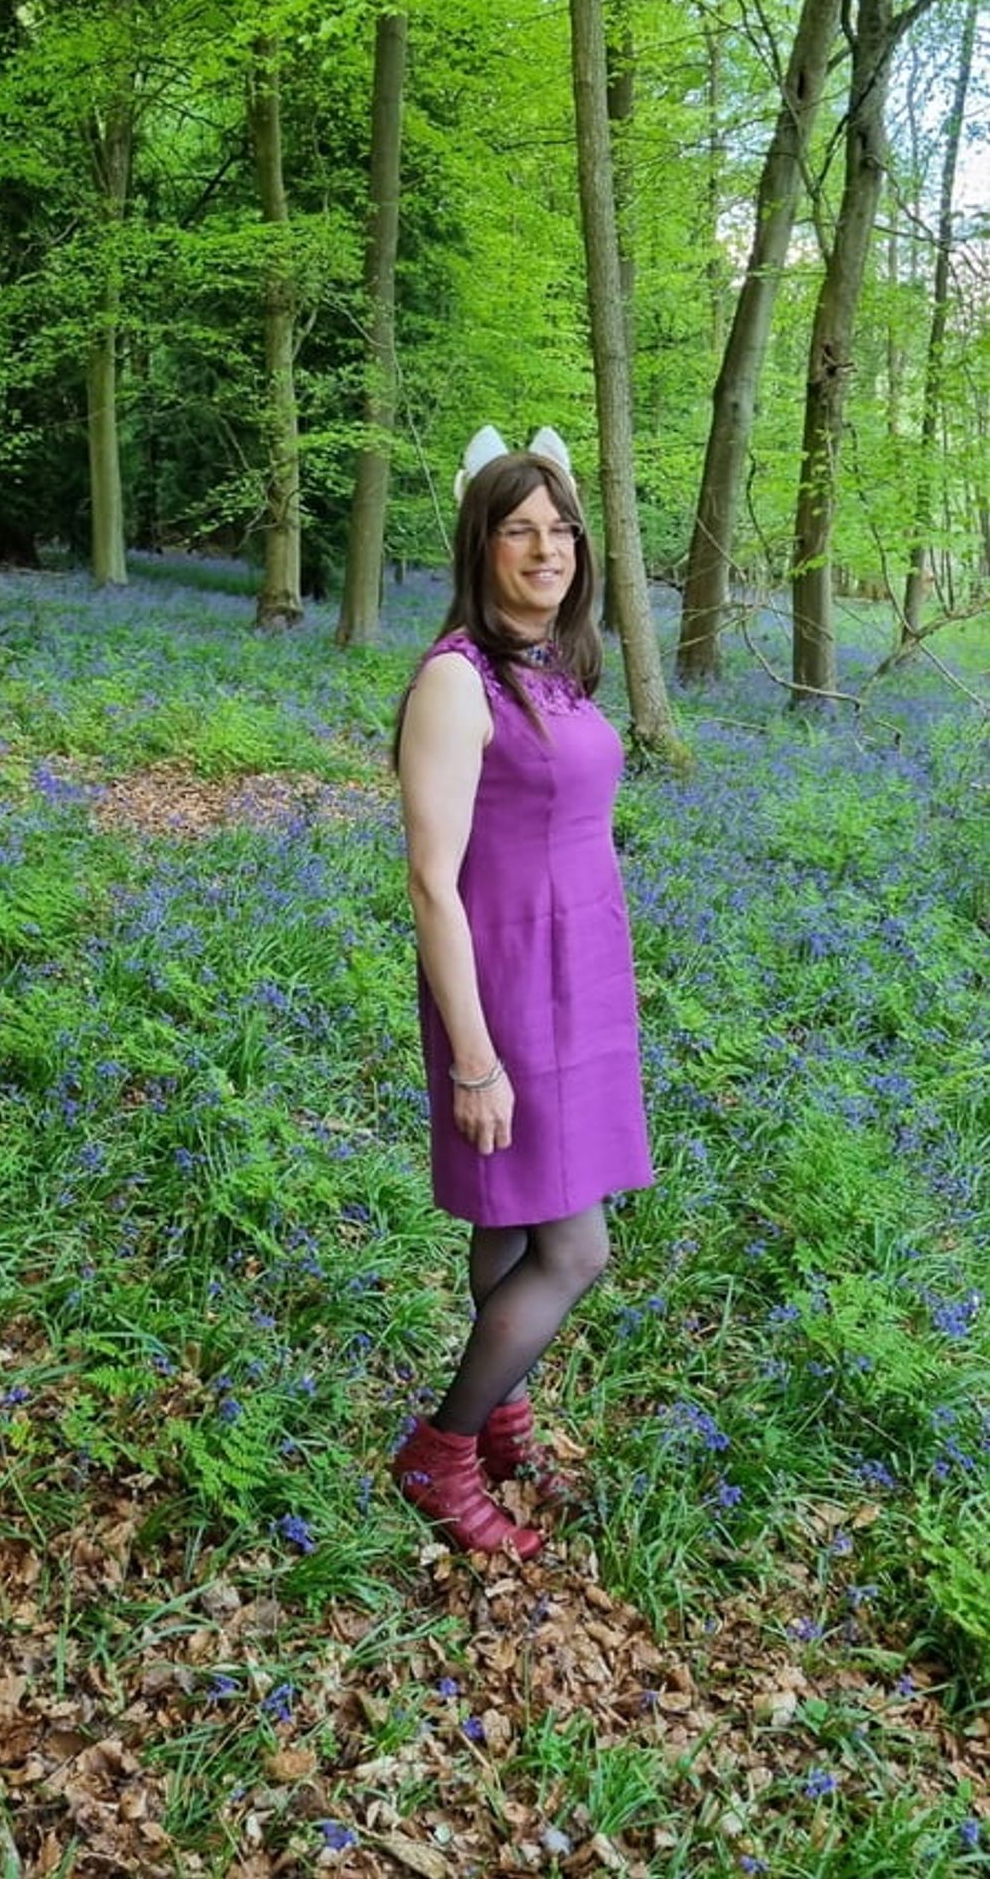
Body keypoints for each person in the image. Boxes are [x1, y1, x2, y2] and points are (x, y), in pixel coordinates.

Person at [392, 428, 653, 1559]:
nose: (547, 548)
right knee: (574, 1247)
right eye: (519, 529)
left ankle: (500, 1412)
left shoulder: (556, 666)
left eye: (561, 528)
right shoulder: (457, 679)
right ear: (480, 543)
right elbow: (431, 881)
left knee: (511, 1222)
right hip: (510, 989)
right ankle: (439, 1453)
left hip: (581, 972)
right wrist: (474, 1057)